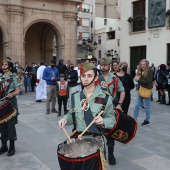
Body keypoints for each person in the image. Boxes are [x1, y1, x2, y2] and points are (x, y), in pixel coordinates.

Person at [58, 63, 116, 160]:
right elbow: (70, 115)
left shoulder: (105, 98)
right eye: (83, 76)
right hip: (78, 143)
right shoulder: (74, 97)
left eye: (90, 76)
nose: (85, 79)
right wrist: (65, 119)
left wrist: (103, 121)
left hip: (96, 144)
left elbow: (112, 120)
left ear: (96, 78)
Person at [97, 58, 125, 165]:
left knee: (110, 132)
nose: (103, 66)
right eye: (102, 65)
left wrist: (119, 104)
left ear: (109, 66)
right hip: (97, 109)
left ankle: (111, 154)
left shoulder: (115, 79)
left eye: (106, 65)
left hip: (110, 109)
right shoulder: (94, 78)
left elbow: (122, 91)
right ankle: (100, 154)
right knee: (97, 133)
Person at [0, 58, 21, 156]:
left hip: (11, 103)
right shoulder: (1, 77)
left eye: (5, 64)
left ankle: (12, 146)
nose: (3, 66)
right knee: (2, 125)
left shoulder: (15, 77)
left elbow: (18, 90)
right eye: (3, 64)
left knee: (10, 126)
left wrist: (12, 95)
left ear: (10, 67)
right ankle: (4, 145)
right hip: (2, 104)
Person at [133, 59, 153, 126]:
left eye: (144, 64)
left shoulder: (150, 71)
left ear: (146, 65)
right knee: (137, 105)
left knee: (147, 106)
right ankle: (134, 119)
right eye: (141, 64)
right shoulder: (139, 71)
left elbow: (148, 81)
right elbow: (138, 79)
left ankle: (147, 120)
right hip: (140, 89)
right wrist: (136, 79)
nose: (142, 66)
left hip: (146, 90)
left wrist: (139, 80)